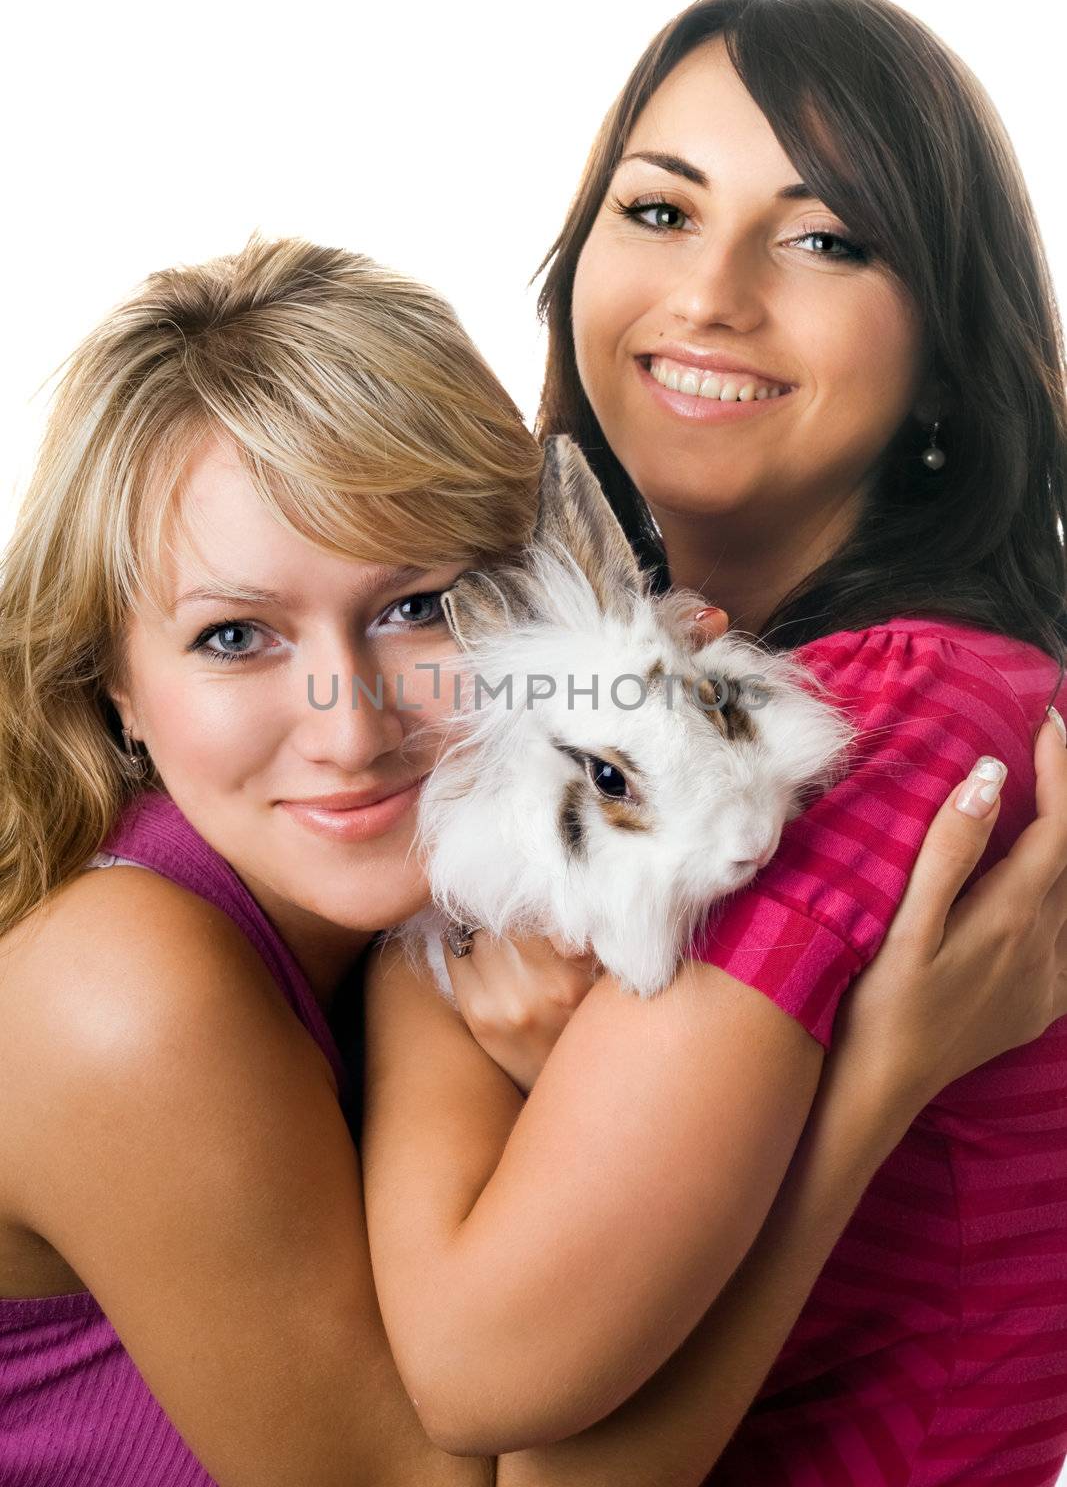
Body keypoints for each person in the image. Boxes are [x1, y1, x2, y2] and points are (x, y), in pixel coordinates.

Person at [0, 284, 1060, 1482]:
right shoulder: (121, 992)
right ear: (115, 687)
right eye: (236, 637)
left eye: (414, 610)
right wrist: (873, 1080)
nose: (347, 730)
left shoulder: (447, 917)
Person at [358, 0, 1067, 1485]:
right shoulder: (670, 669)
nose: (710, 297)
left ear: (945, 348)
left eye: (822, 240)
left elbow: (489, 1378)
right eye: (659, 211)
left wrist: (415, 1002)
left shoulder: (885, 716)